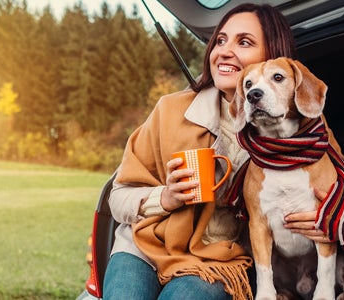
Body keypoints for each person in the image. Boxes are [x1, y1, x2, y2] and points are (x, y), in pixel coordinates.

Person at [102, 4, 330, 300]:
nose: (224, 51)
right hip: (145, 247)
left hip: (219, 260)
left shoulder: (305, 128)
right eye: (220, 41)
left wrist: (328, 219)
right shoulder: (169, 110)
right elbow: (118, 196)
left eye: (244, 42)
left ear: (271, 56)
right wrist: (166, 197)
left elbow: (342, 192)